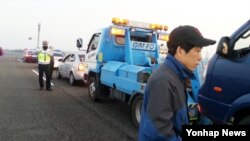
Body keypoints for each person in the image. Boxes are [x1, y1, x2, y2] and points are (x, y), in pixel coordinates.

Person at [138, 25, 216, 141]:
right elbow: (159, 133)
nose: (200, 57)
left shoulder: (176, 76)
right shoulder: (164, 81)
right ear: (180, 51)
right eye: (197, 51)